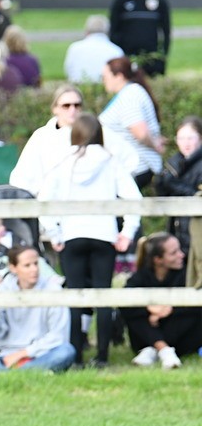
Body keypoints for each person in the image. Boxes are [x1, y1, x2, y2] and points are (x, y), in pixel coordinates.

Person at [38, 113, 142, 367]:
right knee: (103, 297)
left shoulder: (63, 163)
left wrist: (54, 233)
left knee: (74, 298)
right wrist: (127, 232)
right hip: (103, 235)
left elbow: (44, 200)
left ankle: (75, 355)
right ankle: (103, 356)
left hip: (72, 235)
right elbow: (133, 198)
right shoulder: (111, 162)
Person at [120, 232, 202, 368]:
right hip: (146, 336)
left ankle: (154, 349)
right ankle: (163, 349)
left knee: (193, 312)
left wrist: (171, 309)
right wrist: (149, 308)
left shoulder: (186, 274)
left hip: (180, 339)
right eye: (174, 253)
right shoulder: (141, 277)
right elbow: (125, 302)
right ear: (158, 260)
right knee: (133, 312)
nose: (181, 255)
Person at [99, 56, 163, 188]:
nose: (103, 81)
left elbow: (141, 133)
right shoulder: (128, 93)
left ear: (119, 76)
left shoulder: (130, 96)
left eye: (105, 76)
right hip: (129, 167)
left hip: (136, 167)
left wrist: (155, 145)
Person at [10, 86, 84, 194]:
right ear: (55, 108)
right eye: (66, 106)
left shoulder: (93, 134)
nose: (72, 110)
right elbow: (22, 177)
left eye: (77, 105)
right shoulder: (41, 136)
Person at [109, 0, 171, 77]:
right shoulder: (121, 2)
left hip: (152, 59)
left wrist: (162, 58)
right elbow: (114, 32)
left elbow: (165, 32)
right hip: (128, 58)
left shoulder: (159, 1)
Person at [154, 116, 202, 260]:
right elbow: (162, 197)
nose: (185, 143)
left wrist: (175, 186)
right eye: (181, 138)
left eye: (190, 138)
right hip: (176, 229)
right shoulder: (174, 163)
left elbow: (197, 196)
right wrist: (160, 183)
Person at [64, 15, 124, 83]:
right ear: (108, 31)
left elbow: (68, 72)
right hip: (105, 90)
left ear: (86, 31)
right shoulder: (116, 51)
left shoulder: (74, 48)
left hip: (78, 89)